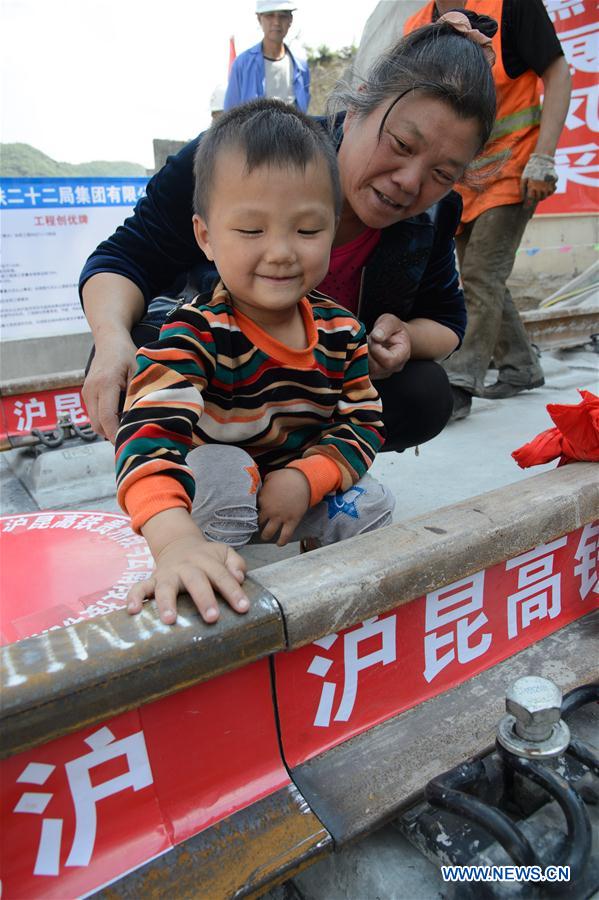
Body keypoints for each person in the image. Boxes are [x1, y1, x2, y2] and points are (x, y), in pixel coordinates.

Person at [80, 16, 497, 456]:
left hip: (313, 396)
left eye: (442, 173)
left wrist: (407, 336)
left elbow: (447, 320)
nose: (410, 182)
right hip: (214, 381)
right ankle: (188, 479)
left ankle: (311, 472)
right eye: (400, 145)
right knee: (138, 358)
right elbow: (124, 259)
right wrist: (111, 341)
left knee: (424, 392)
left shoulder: (434, 214)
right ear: (356, 109)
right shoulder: (234, 159)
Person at [116, 100, 394, 625]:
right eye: (251, 231)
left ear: (332, 229)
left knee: (374, 503)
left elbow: (362, 422)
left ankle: (319, 577)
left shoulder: (341, 330)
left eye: (307, 231)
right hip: (221, 480)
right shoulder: (194, 333)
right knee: (224, 470)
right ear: (206, 237)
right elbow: (146, 436)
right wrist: (174, 540)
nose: (282, 252)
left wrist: (307, 478)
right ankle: (209, 560)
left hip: (290, 483)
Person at [404, 1, 572, 420]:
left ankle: (459, 382)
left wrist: (544, 157)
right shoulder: (416, 25)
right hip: (456, 177)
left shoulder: (511, 5)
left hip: (514, 166)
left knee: (480, 275)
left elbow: (558, 72)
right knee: (485, 277)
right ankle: (521, 365)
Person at [224, 1, 310, 112]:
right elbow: (229, 116)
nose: (276, 22)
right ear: (259, 19)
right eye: (270, 15)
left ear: (290, 19)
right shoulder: (242, 65)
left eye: (283, 15)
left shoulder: (301, 67)